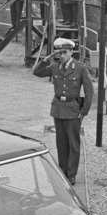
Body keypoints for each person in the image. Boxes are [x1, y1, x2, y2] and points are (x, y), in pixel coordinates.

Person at [33, 37, 93, 185]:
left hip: (73, 109)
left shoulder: (80, 68)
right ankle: (63, 170)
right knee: (61, 143)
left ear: (71, 52)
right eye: (60, 53)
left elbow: (89, 90)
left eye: (65, 52)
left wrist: (84, 111)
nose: (62, 55)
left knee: (73, 143)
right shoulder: (55, 66)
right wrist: (47, 58)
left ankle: (71, 174)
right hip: (58, 109)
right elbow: (37, 72)